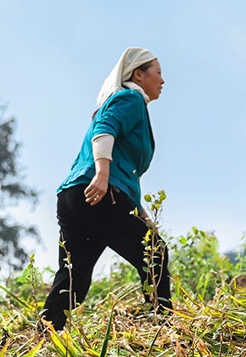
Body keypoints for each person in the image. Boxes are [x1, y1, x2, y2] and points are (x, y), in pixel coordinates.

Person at [38, 47, 171, 332]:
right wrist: (101, 174)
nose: (162, 80)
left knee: (74, 277)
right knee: (154, 252)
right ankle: (165, 326)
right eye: (158, 73)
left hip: (76, 195)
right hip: (98, 192)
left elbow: (127, 179)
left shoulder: (127, 103)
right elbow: (104, 131)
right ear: (138, 74)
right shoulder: (130, 97)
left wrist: (144, 217)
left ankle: (45, 334)